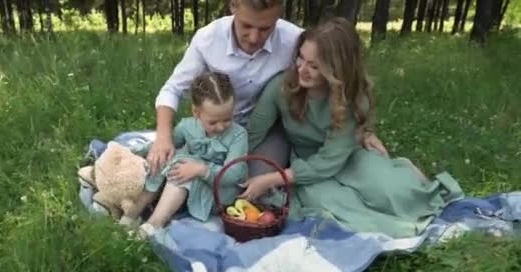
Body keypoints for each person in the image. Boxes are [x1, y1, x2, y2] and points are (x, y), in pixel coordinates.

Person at [240, 18, 465, 238]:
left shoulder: (350, 100)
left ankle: (403, 172)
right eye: (301, 58)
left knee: (393, 192)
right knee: (333, 207)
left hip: (347, 157)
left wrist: (271, 179)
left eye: (315, 66)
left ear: (336, 71)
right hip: (306, 165)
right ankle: (400, 229)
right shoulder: (282, 86)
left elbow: (328, 162)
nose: (302, 69)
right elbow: (254, 131)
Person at [147, 0, 388, 180]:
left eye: (265, 29)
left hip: (267, 130)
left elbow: (338, 75)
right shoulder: (208, 39)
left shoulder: (295, 40)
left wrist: (360, 129)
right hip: (214, 124)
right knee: (162, 166)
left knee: (244, 183)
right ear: (233, 6)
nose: (254, 38)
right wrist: (163, 137)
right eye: (247, 25)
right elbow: (173, 89)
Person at [122, 72, 248, 238]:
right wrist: (141, 152)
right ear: (196, 113)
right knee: (164, 157)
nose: (221, 127)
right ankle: (133, 213)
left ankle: (153, 224)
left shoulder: (238, 135)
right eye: (213, 122)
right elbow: (166, 145)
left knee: (182, 162)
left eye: (227, 119)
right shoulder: (187, 127)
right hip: (185, 192)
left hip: (217, 195)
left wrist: (202, 170)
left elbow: (234, 174)